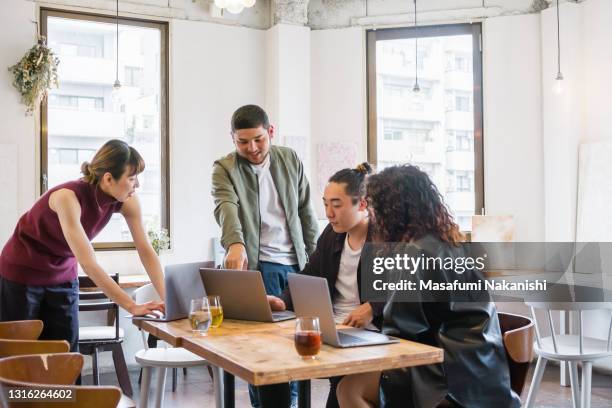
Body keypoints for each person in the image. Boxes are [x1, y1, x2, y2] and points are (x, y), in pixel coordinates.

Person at [336, 165, 521, 408]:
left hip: (446, 378)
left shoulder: (414, 253)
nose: (372, 216)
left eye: (374, 209)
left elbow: (400, 332)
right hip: (483, 373)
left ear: (391, 212)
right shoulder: (453, 243)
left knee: (349, 389)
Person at [0, 139, 165, 353]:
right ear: (108, 178)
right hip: (21, 274)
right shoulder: (67, 197)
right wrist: (132, 306)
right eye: (132, 178)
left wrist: (168, 299)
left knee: (65, 357)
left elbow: (145, 250)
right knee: (18, 359)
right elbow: (88, 263)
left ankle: (64, 390)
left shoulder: (128, 200)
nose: (137, 185)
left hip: (62, 275)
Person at [211, 104, 318, 407]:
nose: (252, 148)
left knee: (302, 351)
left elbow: (305, 212)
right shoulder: (225, 167)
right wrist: (235, 243)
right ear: (232, 139)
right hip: (261, 268)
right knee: (269, 360)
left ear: (270, 132)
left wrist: (317, 260)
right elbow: (226, 206)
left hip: (299, 266)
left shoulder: (289, 159)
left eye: (258, 139)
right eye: (242, 142)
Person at [266, 162, 384, 408]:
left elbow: (409, 283)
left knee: (342, 395)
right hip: (333, 331)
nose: (329, 213)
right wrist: (283, 300)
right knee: (268, 362)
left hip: (372, 338)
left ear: (362, 204)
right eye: (326, 203)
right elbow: (309, 274)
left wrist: (374, 305)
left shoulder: (385, 237)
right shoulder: (331, 235)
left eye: (337, 205)